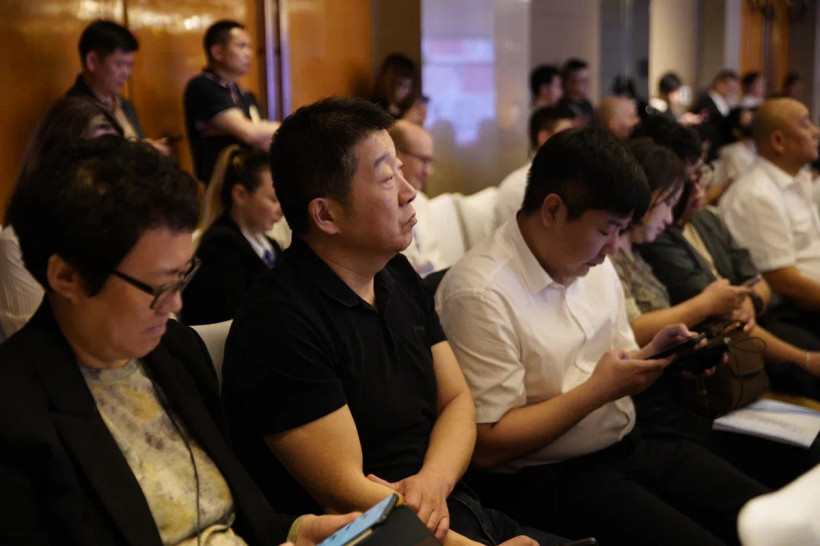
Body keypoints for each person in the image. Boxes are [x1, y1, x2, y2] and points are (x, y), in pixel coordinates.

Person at [221, 97, 558, 546]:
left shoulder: (394, 272)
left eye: (401, 170)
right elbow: (345, 494)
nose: (408, 190)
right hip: (382, 535)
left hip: (453, 509)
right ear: (325, 214)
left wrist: (433, 482)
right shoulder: (279, 322)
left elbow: (457, 400)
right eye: (386, 178)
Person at [0, 137, 357, 545]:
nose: (176, 304)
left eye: (182, 277)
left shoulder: (176, 351)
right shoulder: (16, 412)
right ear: (67, 277)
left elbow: (227, 513)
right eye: (159, 286)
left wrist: (298, 530)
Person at [435, 127, 768, 545]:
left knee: (764, 514)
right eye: (606, 230)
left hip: (627, 440)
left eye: (621, 230)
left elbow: (618, 358)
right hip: (547, 479)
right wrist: (599, 390)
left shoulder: (592, 262)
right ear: (552, 210)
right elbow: (488, 445)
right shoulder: (480, 294)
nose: (613, 248)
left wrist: (657, 356)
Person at [612, 139, 820, 488]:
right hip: (659, 405)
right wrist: (707, 304)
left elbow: (755, 279)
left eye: (700, 175)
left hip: (681, 384)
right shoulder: (626, 252)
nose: (698, 191)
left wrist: (744, 305)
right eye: (668, 201)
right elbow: (633, 328)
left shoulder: (692, 226)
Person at [0, 97, 123, 343]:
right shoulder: (16, 243)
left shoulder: (123, 226)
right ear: (54, 164)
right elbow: (34, 346)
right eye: (95, 157)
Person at [718, 98, 820, 359]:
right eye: (806, 124)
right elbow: (786, 283)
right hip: (789, 314)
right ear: (778, 141)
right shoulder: (757, 195)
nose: (816, 132)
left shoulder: (797, 181)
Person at [182, 146, 283, 325]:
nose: (281, 210)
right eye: (274, 200)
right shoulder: (220, 249)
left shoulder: (270, 246)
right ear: (240, 195)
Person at [184, 20, 281, 182]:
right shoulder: (202, 86)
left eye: (249, 47)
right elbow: (249, 133)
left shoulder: (246, 95)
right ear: (217, 52)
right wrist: (256, 128)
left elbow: (265, 141)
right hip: (220, 183)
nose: (249, 53)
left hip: (252, 180)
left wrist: (253, 129)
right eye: (241, 46)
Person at [66, 19, 170, 154]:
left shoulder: (125, 106)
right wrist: (141, 153)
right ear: (92, 62)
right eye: (119, 64)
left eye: (130, 65)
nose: (126, 73)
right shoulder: (72, 114)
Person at [495, 105, 577, 226]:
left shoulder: (562, 177)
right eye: (567, 134)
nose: (574, 142)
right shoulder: (521, 185)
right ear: (544, 137)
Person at [388, 120, 447, 279]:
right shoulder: (380, 207)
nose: (429, 172)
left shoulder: (421, 200)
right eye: (424, 160)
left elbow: (435, 259)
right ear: (396, 154)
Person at [691, 69, 739, 161]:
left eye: (733, 89)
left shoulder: (723, 102)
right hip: (709, 150)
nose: (731, 91)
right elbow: (704, 127)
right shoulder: (706, 103)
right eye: (729, 87)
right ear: (719, 83)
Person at [371, 53, 427, 123]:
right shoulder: (376, 108)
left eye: (409, 87)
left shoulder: (404, 108)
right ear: (390, 83)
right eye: (402, 86)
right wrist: (407, 120)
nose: (407, 91)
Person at [556, 58, 594, 127]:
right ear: (568, 83)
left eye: (587, 79)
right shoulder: (560, 107)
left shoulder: (587, 104)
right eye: (581, 80)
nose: (586, 83)